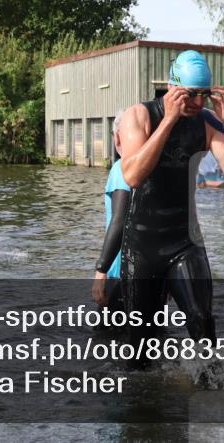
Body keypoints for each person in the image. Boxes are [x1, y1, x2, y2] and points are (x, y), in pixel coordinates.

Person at [92, 51, 224, 357]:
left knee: (202, 321)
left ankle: (209, 388)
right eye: (191, 95)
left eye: (204, 95)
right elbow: (134, 175)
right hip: (142, 248)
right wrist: (168, 121)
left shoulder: (204, 123)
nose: (199, 103)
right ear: (173, 87)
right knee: (142, 349)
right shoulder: (139, 116)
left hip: (184, 242)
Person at [90, 112, 131, 312]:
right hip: (153, 273)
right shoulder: (155, 169)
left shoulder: (122, 168)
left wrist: (101, 271)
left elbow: (119, 220)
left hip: (121, 274)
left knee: (108, 340)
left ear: (117, 137)